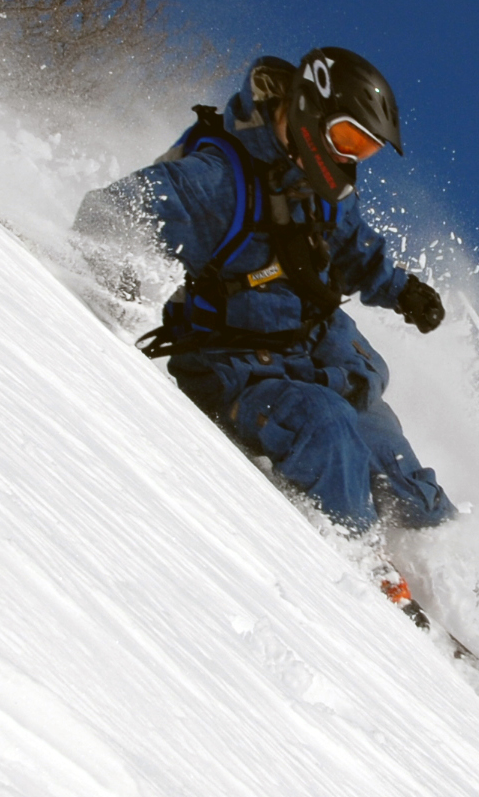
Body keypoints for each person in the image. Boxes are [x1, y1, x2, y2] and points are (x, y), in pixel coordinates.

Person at [74, 47, 454, 534]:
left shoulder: (321, 187)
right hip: (242, 370)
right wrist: (110, 292)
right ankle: (367, 571)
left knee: (406, 484)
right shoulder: (218, 180)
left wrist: (402, 290)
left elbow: (354, 249)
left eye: (364, 151)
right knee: (328, 429)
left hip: (329, 362)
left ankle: (448, 573)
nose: (349, 159)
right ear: (309, 110)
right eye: (345, 138)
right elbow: (116, 211)